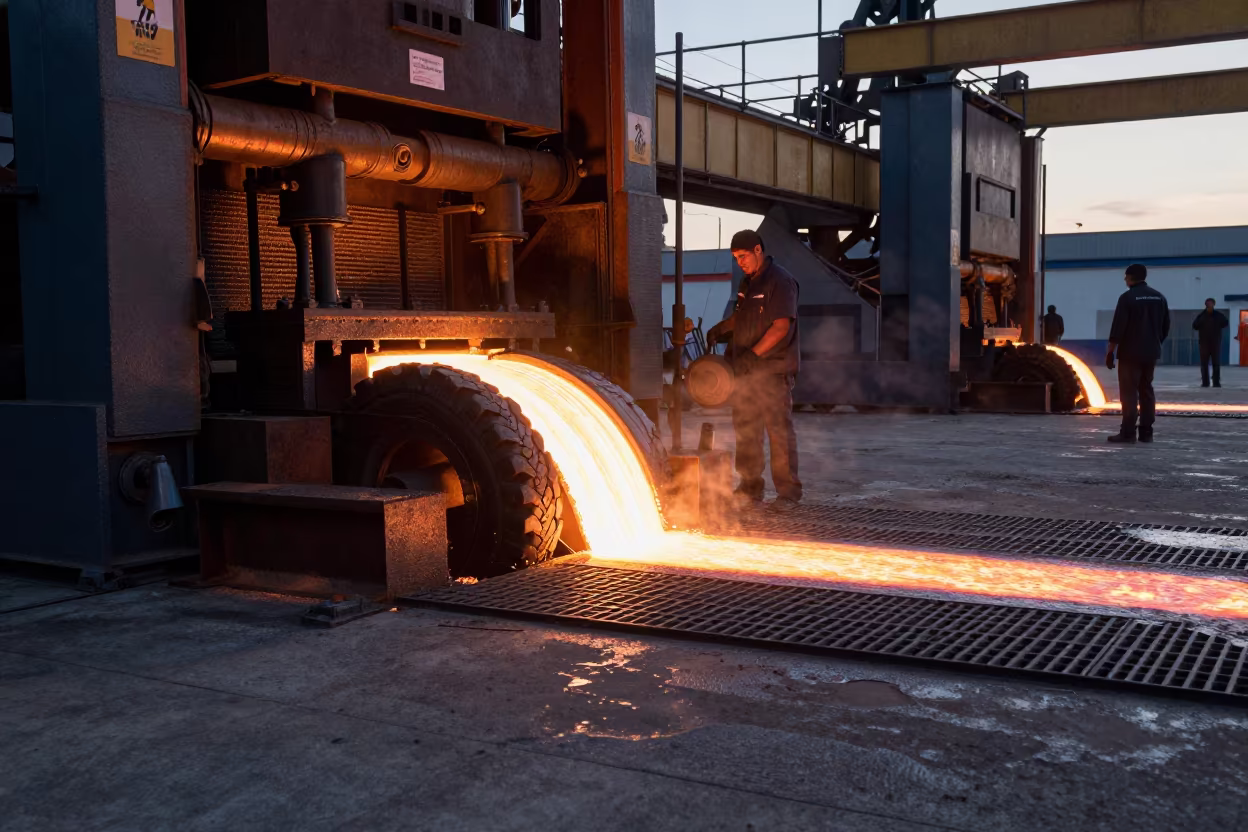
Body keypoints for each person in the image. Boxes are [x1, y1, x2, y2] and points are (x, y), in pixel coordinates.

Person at [706, 230, 802, 512]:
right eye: (736, 258)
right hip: (745, 373)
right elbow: (742, 316)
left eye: (743, 256)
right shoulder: (748, 283)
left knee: (779, 432)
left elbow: (781, 327)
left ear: (758, 250)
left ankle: (788, 494)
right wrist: (722, 328)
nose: (740, 263)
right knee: (746, 430)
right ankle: (750, 488)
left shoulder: (780, 281)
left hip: (772, 371)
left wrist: (751, 356)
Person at [1105, 263, 1170, 444]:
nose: (1125, 280)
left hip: (1130, 353)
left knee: (1129, 393)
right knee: (1146, 390)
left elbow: (1118, 327)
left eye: (1126, 276)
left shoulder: (1127, 298)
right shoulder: (1159, 297)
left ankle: (1127, 433)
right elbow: (1165, 327)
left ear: (1131, 277)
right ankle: (1146, 432)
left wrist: (1110, 351)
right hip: (1151, 353)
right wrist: (1154, 343)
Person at [1192, 298, 1228, 388]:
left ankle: (1216, 382)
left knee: (1216, 363)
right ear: (1206, 305)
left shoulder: (1218, 316)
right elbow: (1195, 325)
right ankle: (1205, 382)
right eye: (1208, 304)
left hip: (1215, 343)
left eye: (1211, 303)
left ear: (1214, 304)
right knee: (1204, 364)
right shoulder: (1201, 316)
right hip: (1204, 344)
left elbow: (1225, 323)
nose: (1210, 305)